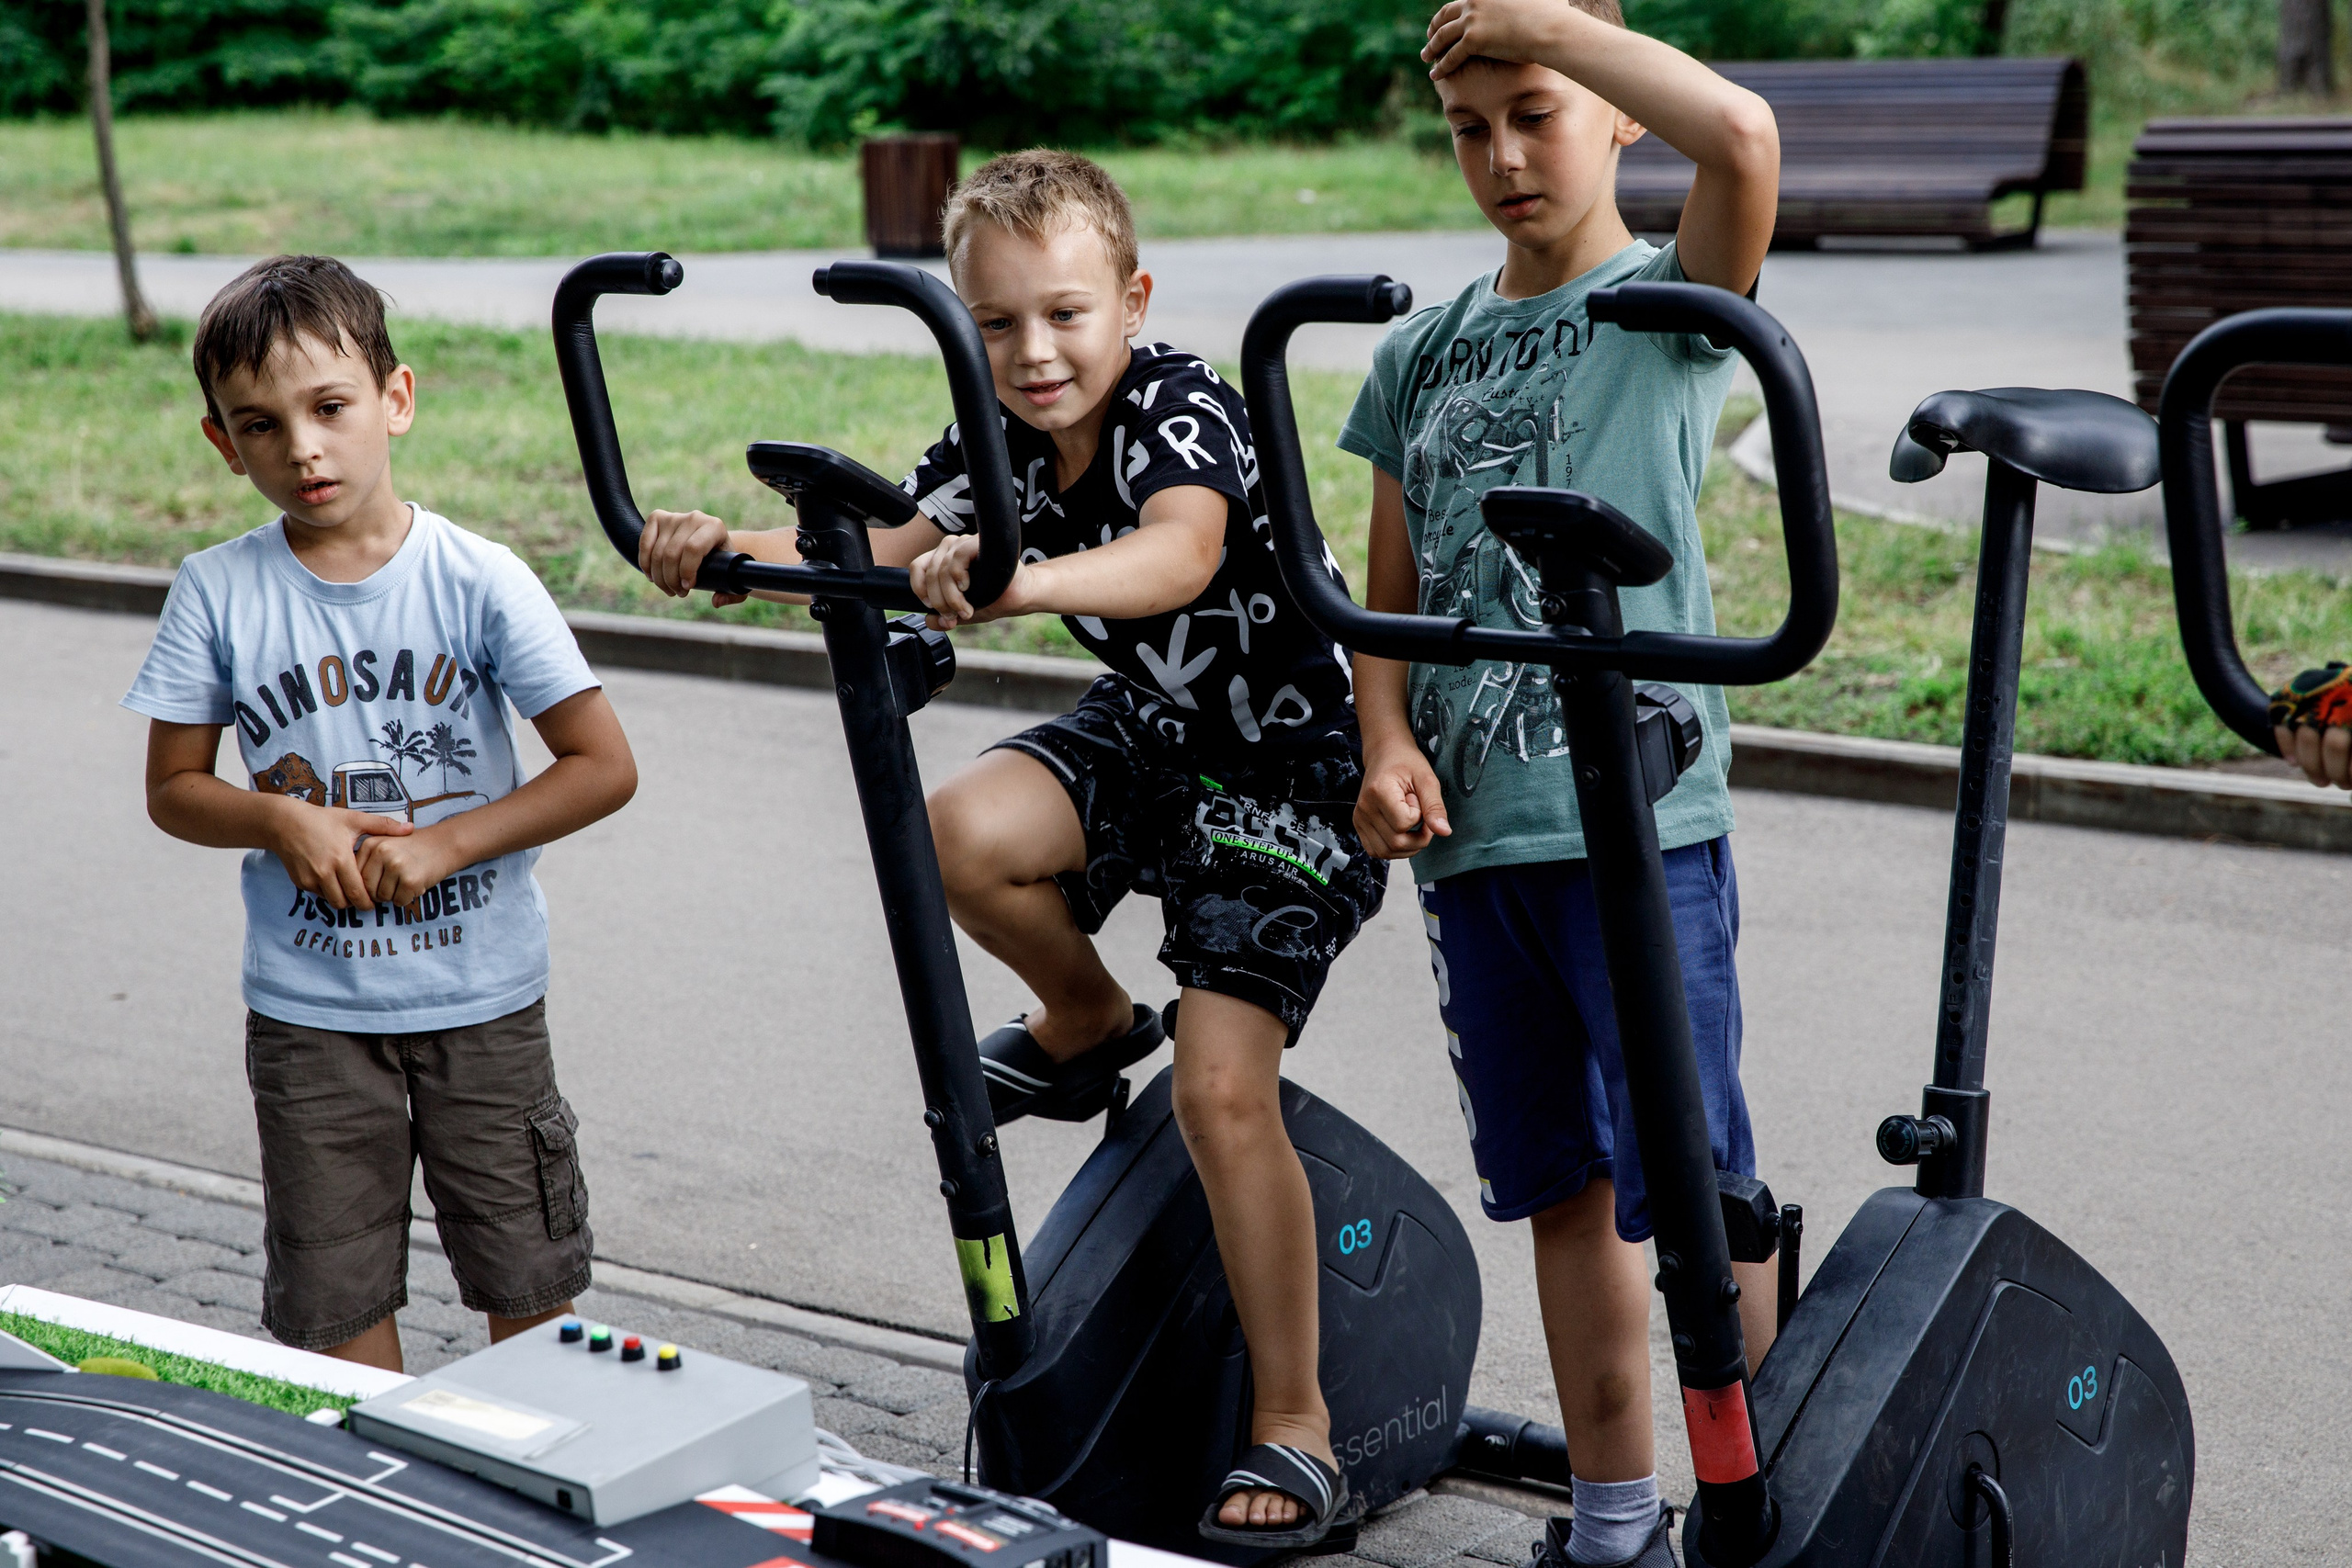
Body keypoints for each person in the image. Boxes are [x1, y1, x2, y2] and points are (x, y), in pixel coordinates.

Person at [635, 151, 1385, 1550]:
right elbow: (883, 545)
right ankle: (1089, 1018)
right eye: (996, 322)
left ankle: (1298, 1420)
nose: (1033, 352)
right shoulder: (999, 431)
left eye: (1065, 314)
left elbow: (1178, 556)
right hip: (1155, 728)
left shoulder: (1181, 407)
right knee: (958, 834)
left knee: (1223, 1095)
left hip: (1293, 772)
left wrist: (1017, 581)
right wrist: (715, 546)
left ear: (1132, 303)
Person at [1338, 4, 1781, 1565]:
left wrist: (1549, 24)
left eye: (1538, 110)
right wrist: (1385, 741)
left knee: (1697, 1188)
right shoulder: (1421, 352)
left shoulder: (1670, 304)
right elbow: (1389, 595)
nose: (1505, 155)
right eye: (1472, 127)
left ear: (1610, 109)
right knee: (1560, 1190)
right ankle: (1610, 1525)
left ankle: (1763, 1505)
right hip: (1480, 846)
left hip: (1640, 829)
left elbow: (1744, 136)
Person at [124, 255, 638, 1372]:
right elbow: (174, 789)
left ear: (395, 399)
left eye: (330, 408)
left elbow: (602, 766)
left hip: (482, 1001)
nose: (302, 449)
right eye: (260, 425)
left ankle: (536, 1465)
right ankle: (369, 1469)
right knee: (333, 1290)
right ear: (222, 442)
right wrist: (281, 821)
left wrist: (450, 843)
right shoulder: (216, 590)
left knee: (526, 1275)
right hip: (310, 1015)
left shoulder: (480, 578)